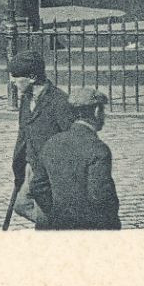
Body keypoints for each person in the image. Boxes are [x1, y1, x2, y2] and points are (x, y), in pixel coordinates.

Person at [31, 88, 121, 231]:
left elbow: (38, 186)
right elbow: (100, 196)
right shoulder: (98, 149)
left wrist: (56, 214)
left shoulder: (52, 142)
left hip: (59, 225)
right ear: (97, 111)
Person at [7, 51, 77, 228]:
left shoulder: (59, 102)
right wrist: (19, 168)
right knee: (21, 205)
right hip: (32, 167)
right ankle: (61, 225)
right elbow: (23, 135)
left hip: (51, 174)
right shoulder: (27, 99)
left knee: (44, 220)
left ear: (31, 77)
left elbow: (73, 140)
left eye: (16, 77)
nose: (13, 82)